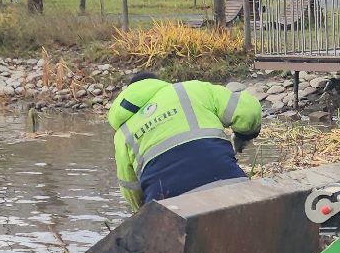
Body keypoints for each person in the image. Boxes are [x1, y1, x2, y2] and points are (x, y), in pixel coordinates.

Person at [110, 71, 263, 211]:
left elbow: (130, 189)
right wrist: (243, 136)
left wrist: (145, 214)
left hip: (168, 209)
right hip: (228, 186)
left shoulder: (122, 134)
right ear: (158, 83)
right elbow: (248, 111)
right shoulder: (190, 89)